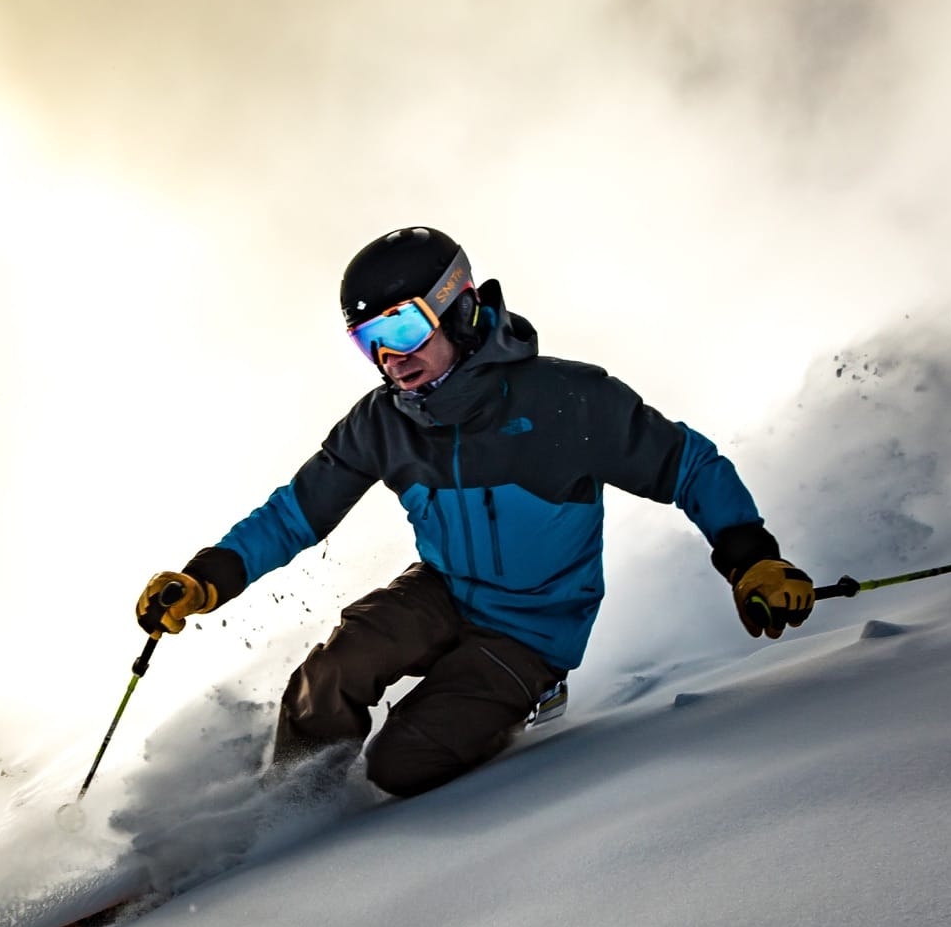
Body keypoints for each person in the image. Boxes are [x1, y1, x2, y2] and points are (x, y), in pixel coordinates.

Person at [135, 226, 813, 798]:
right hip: (445, 591)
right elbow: (294, 514)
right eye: (368, 339)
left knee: (403, 763)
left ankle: (523, 701)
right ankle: (289, 810)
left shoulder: (566, 401)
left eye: (402, 325)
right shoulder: (383, 423)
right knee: (331, 674)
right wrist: (206, 579)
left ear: (458, 309)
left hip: (532, 627)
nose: (390, 357)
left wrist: (753, 559)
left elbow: (688, 465)